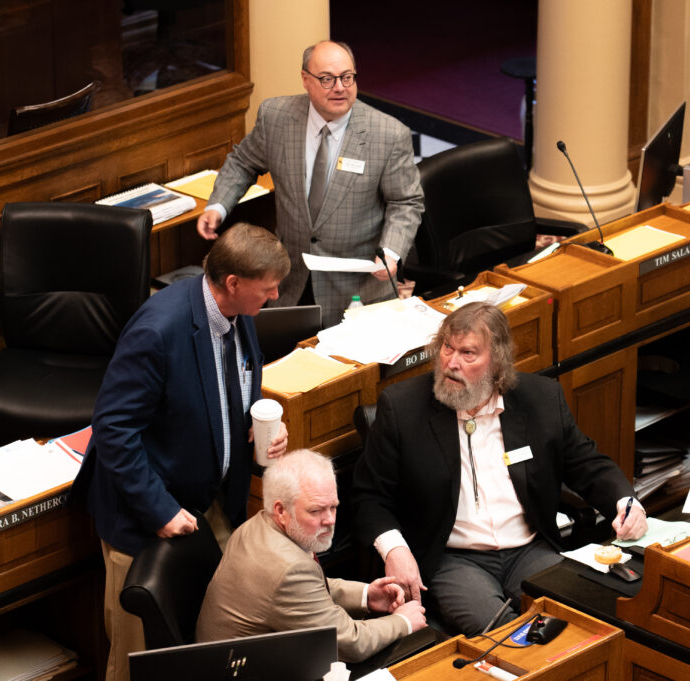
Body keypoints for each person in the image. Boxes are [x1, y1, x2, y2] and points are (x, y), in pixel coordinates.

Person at [70, 222, 291, 681]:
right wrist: (159, 510)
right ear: (233, 283)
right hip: (146, 517)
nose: (273, 298)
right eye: (267, 289)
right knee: (140, 662)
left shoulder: (240, 317)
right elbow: (113, 429)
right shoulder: (159, 331)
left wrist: (257, 426)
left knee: (213, 642)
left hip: (210, 503)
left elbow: (235, 388)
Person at [350, 302, 647, 636]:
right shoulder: (403, 408)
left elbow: (585, 462)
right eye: (447, 348)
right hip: (454, 559)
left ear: (498, 362)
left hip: (530, 549)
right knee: (503, 635)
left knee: (582, 616)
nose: (452, 363)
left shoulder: (541, 398)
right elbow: (368, 497)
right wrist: (396, 550)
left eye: (468, 353)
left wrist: (625, 502)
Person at [196, 40, 423, 326]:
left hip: (358, 293)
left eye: (347, 77)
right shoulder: (276, 117)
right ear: (305, 79)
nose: (339, 87)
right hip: (288, 283)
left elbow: (406, 201)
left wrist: (391, 252)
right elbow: (243, 162)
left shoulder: (388, 135)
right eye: (327, 79)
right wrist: (218, 206)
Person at [196, 449, 427, 662]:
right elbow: (350, 644)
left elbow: (310, 590)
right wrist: (403, 621)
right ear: (281, 510)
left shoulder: (255, 525)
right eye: (315, 511)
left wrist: (367, 595)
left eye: (333, 507)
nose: (330, 520)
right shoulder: (288, 570)